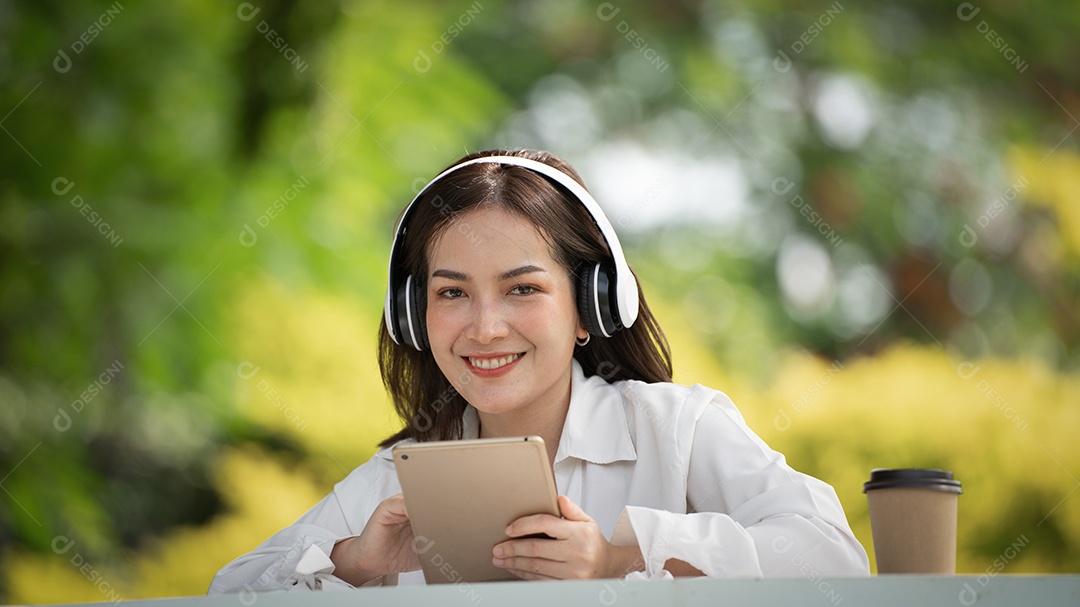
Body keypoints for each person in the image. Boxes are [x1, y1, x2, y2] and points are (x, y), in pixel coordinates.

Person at [208, 148, 869, 592]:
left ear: (590, 307)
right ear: (415, 316)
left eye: (522, 289)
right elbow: (226, 589)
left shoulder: (678, 430)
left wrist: (621, 555)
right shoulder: (398, 479)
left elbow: (834, 558)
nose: (485, 327)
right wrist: (353, 563)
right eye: (451, 292)